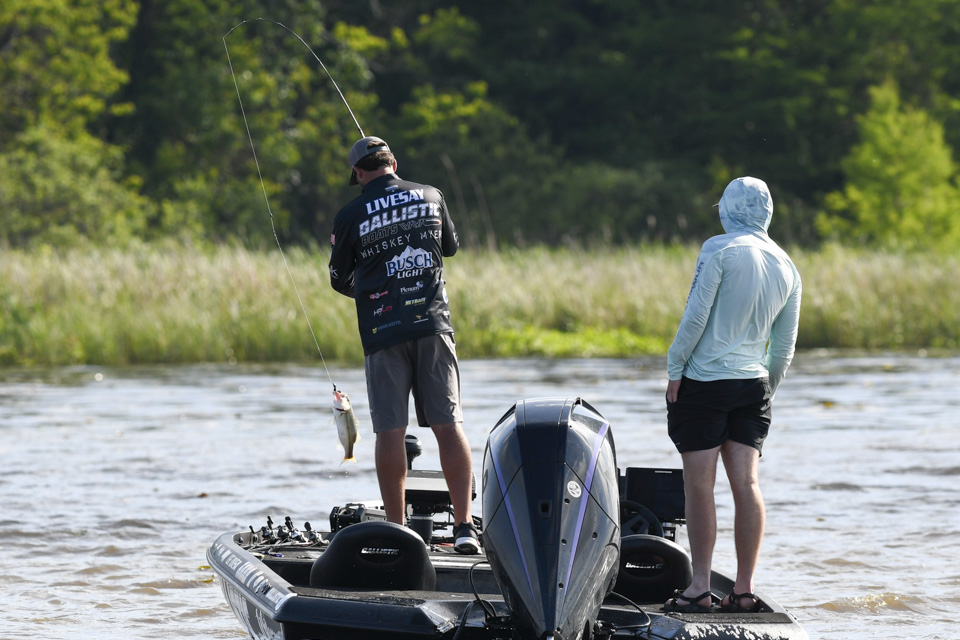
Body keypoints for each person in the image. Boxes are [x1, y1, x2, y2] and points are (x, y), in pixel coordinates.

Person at [328, 136, 479, 554]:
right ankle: (465, 527)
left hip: (384, 331)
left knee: (390, 432)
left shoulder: (349, 214)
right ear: (393, 163)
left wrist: (371, 290)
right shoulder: (432, 195)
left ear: (358, 173)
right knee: (449, 425)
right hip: (433, 326)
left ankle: (397, 531)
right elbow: (450, 248)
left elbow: (339, 279)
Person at [663, 176, 801, 613]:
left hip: (704, 383)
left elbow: (695, 315)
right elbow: (784, 347)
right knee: (747, 483)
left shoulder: (718, 249)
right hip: (754, 384)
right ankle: (743, 590)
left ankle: (700, 588)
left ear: (727, 208)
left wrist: (675, 367)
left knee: (699, 485)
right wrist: (766, 391)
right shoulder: (787, 265)